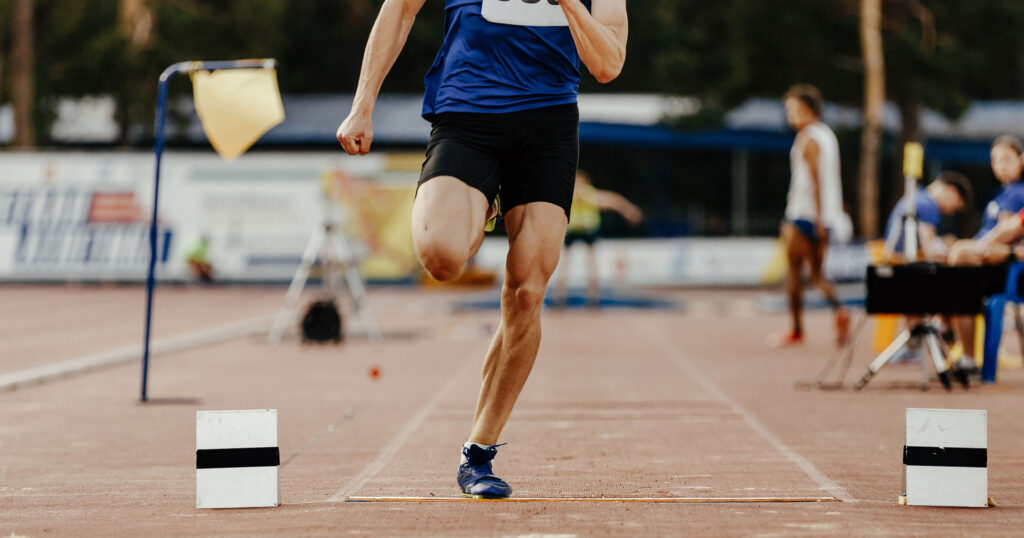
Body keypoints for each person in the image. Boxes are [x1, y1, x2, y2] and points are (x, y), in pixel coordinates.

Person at [337, 0, 628, 499]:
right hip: (469, 113)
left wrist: (568, 5)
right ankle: (483, 198)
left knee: (526, 293)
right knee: (442, 257)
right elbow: (399, 10)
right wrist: (363, 103)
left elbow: (608, 63)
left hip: (548, 127)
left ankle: (479, 451)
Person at [771, 84, 849, 347]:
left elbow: (815, 180)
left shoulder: (808, 139)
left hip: (803, 215)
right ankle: (839, 308)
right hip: (825, 216)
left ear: (811, 110)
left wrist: (816, 219)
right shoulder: (828, 136)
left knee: (793, 273)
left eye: (795, 110)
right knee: (817, 275)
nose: (790, 116)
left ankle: (796, 330)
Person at [947, 136, 1024, 372]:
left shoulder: (1017, 193)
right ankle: (964, 352)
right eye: (995, 160)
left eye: (1006, 159)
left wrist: (999, 250)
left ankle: (947, 331)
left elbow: (1009, 231)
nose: (1000, 165)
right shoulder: (1002, 193)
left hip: (1006, 271)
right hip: (994, 260)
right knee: (956, 276)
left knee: (958, 254)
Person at [553, 170, 643, 307]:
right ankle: (559, 297)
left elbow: (613, 201)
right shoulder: (569, 194)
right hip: (572, 230)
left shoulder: (590, 195)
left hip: (588, 231)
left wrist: (628, 210)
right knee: (564, 263)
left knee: (591, 263)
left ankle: (593, 297)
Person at [883, 172, 972, 262]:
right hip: (898, 261)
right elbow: (930, 252)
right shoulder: (928, 205)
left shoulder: (919, 196)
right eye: (955, 208)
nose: (951, 213)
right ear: (951, 191)